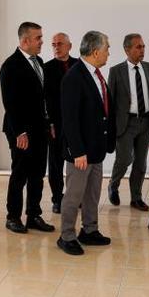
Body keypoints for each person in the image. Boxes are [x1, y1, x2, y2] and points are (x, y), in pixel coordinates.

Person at [57, 31, 115, 256]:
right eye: (107, 48)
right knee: (74, 195)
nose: (109, 52)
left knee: (92, 194)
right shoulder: (74, 77)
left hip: (96, 148)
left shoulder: (97, 75)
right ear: (96, 51)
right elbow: (69, 119)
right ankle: (66, 236)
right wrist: (78, 151)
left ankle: (89, 230)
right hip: (80, 152)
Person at [0, 22, 56, 234]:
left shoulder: (38, 61)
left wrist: (49, 122)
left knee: (37, 174)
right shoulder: (10, 66)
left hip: (40, 128)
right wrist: (20, 132)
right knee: (20, 174)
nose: (42, 41)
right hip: (21, 131)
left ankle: (33, 215)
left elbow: (43, 98)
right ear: (25, 41)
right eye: (38, 38)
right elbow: (10, 103)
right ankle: (13, 217)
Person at [106, 33, 149, 211]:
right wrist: (110, 127)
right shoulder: (116, 71)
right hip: (125, 123)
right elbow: (110, 101)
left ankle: (136, 198)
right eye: (138, 47)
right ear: (127, 50)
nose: (142, 50)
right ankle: (113, 185)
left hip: (146, 122)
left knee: (140, 163)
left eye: (143, 46)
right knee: (125, 159)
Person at [43, 32, 78, 214]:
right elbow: (44, 99)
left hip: (76, 123)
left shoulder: (79, 65)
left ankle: (74, 197)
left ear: (69, 46)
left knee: (76, 162)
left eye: (60, 44)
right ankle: (57, 198)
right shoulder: (46, 68)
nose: (56, 47)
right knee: (55, 163)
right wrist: (49, 122)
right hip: (55, 124)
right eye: (53, 44)